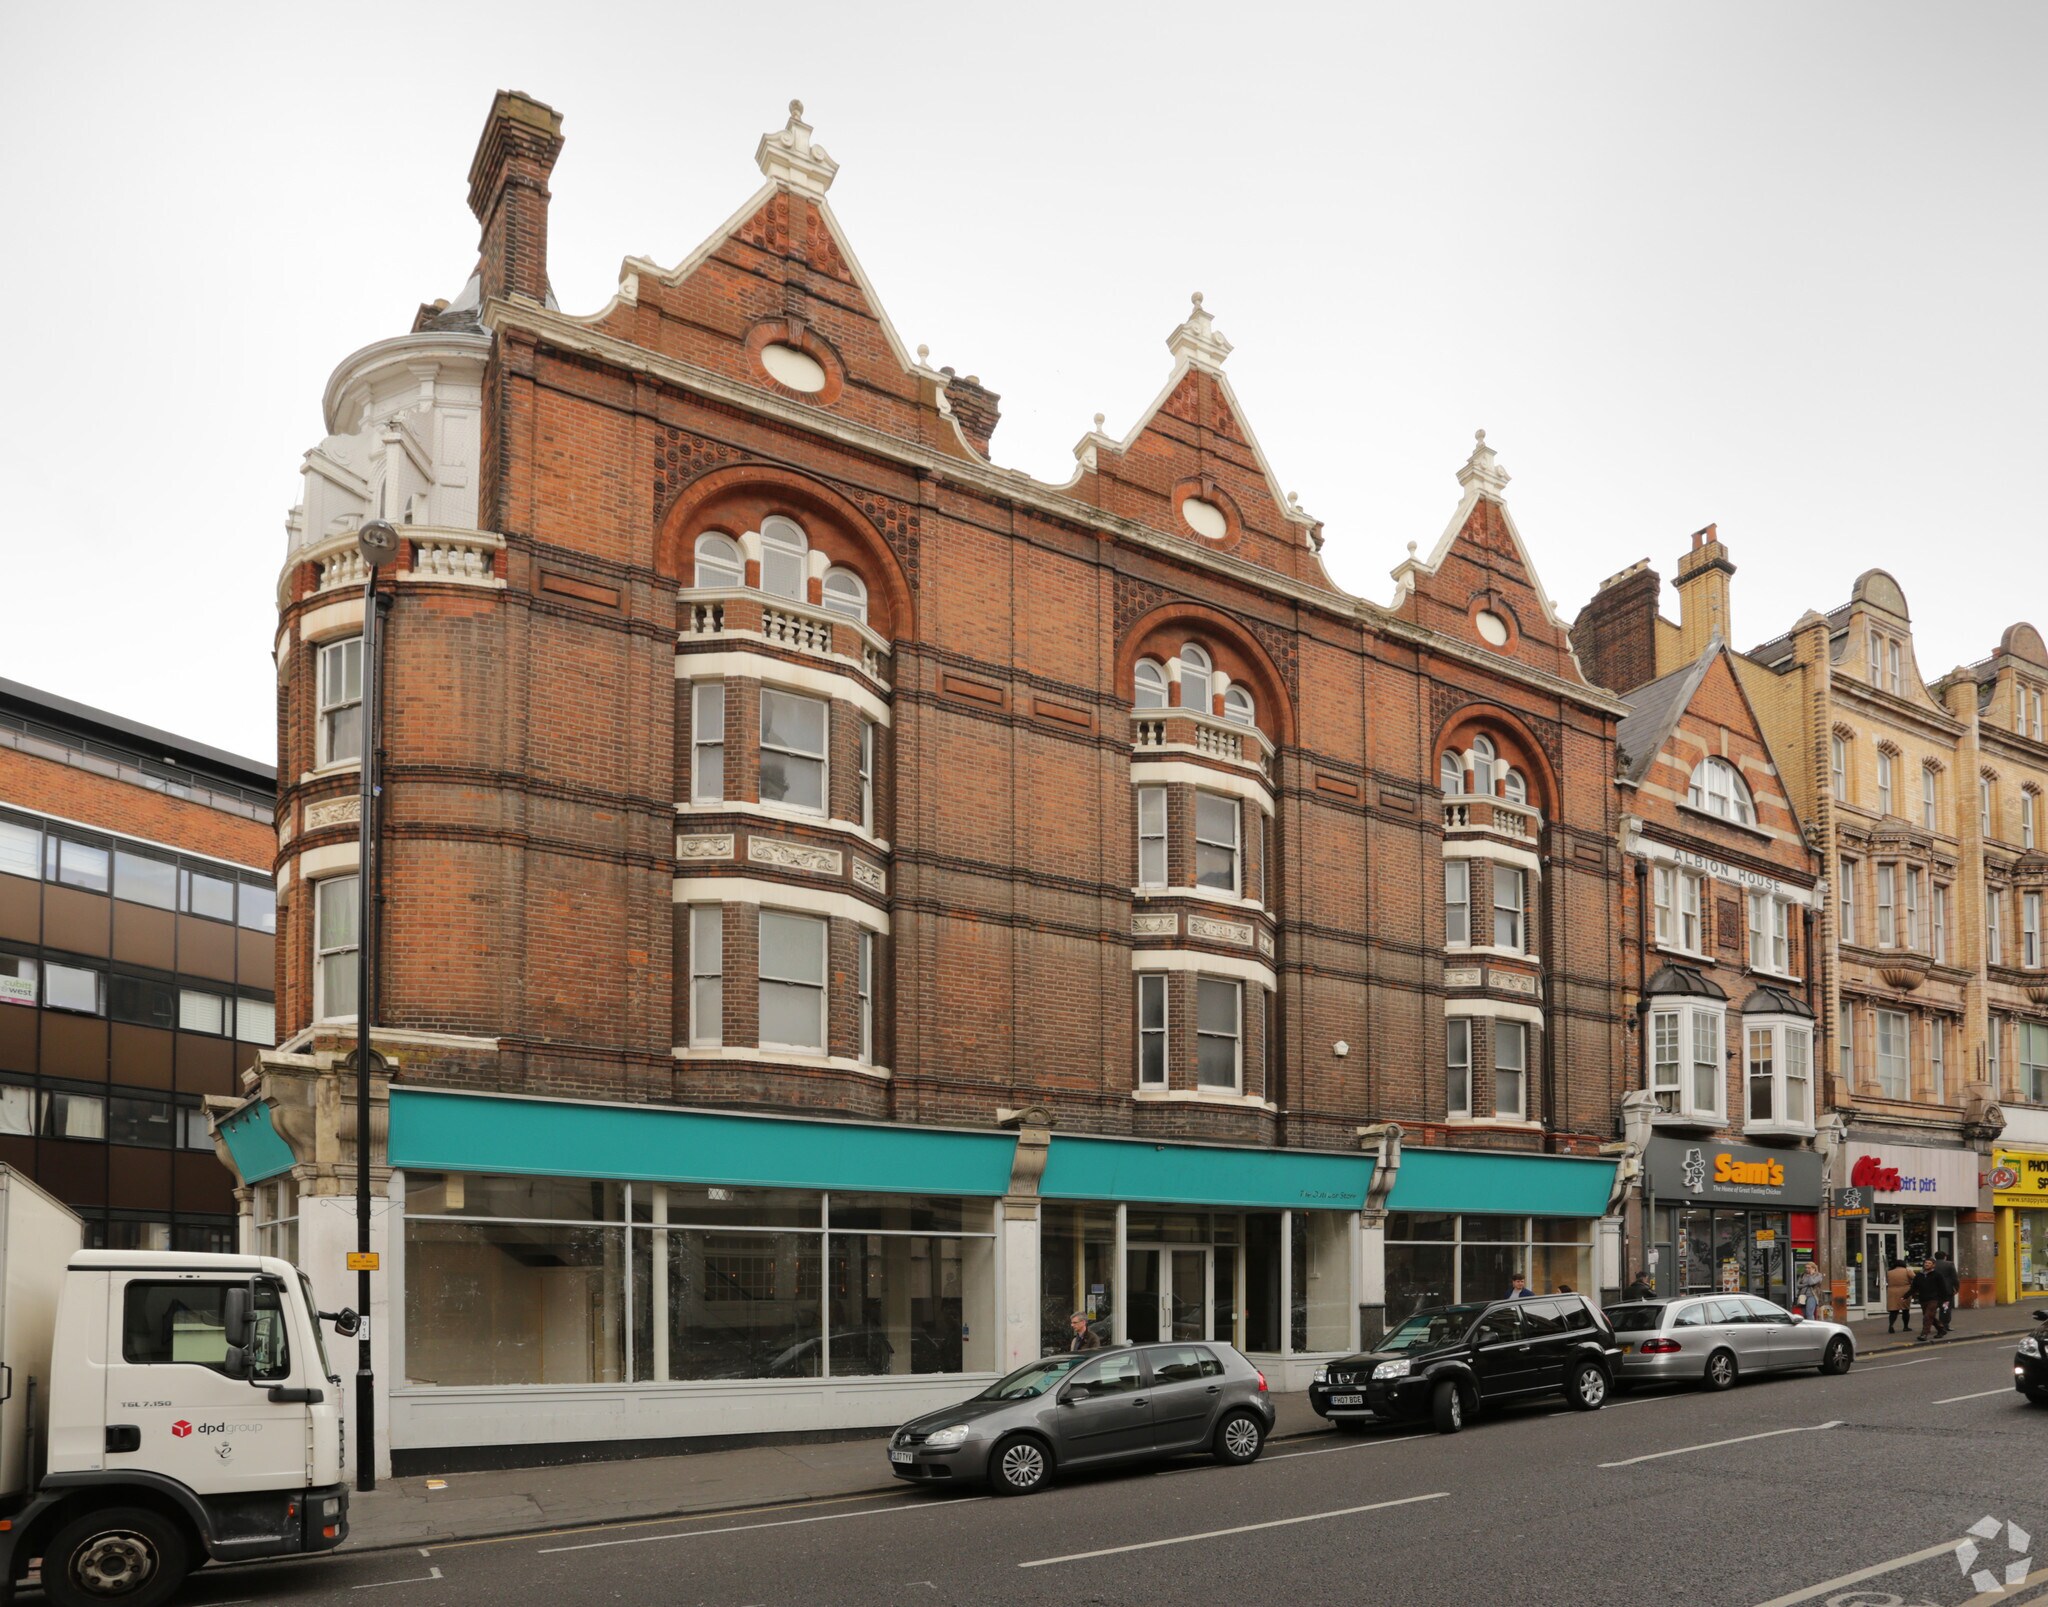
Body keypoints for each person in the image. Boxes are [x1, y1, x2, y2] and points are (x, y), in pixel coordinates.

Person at [1913, 1260, 1943, 1344]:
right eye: (1926, 1263)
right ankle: (1941, 1329)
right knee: (1930, 1317)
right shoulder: (1919, 1275)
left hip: (1934, 1298)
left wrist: (1944, 1299)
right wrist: (1905, 1296)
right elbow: (1914, 1287)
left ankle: (1924, 1334)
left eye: (1929, 1263)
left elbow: (1942, 1287)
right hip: (1923, 1299)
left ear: (1933, 1265)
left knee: (1927, 1316)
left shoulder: (1937, 1275)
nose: (1927, 1264)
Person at [1934, 1250, 1960, 1336]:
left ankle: (1929, 1324)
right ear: (1945, 1257)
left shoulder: (1931, 1264)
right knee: (1945, 1308)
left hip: (1933, 1290)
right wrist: (1956, 1288)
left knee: (1932, 1308)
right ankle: (1944, 1325)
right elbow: (1954, 1277)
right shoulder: (1949, 1264)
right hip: (1946, 1291)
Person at [1885, 1257, 1913, 1334]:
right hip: (1904, 1291)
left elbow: (1887, 1281)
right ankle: (1906, 1326)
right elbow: (1915, 1278)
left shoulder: (1889, 1272)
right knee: (1905, 1310)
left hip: (1892, 1291)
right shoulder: (1907, 1271)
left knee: (1893, 1310)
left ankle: (1891, 1325)